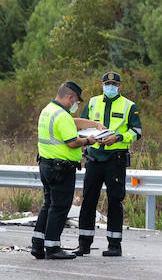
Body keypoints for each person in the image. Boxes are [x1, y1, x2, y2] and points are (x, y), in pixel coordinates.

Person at [34, 81, 110, 260]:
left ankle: (38, 245)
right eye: (76, 101)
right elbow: (72, 142)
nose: (76, 105)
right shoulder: (61, 115)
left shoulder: (49, 110)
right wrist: (89, 141)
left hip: (47, 165)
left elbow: (72, 122)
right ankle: (53, 248)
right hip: (61, 168)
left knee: (48, 205)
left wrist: (94, 124)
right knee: (59, 207)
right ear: (70, 97)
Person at [77, 72, 142, 257]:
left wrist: (118, 137)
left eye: (114, 84)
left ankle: (114, 245)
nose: (110, 86)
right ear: (102, 85)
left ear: (119, 86)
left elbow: (136, 132)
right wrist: (90, 138)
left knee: (115, 201)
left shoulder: (129, 106)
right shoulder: (92, 102)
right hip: (94, 158)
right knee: (88, 200)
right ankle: (84, 244)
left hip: (115, 159)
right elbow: (82, 126)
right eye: (107, 83)